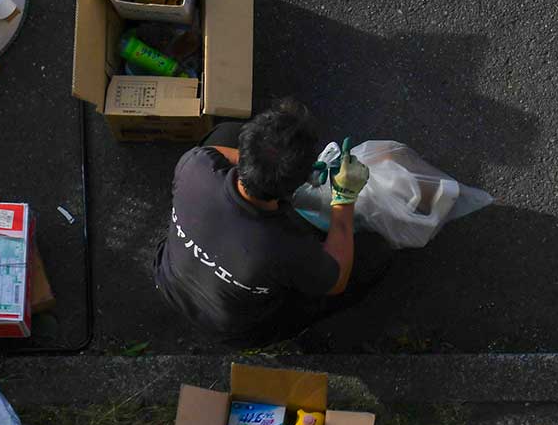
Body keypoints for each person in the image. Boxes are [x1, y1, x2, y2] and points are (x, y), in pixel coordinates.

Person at [154, 96, 390, 343]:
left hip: (169, 280)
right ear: (296, 185)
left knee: (226, 132)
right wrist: (344, 197)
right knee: (374, 253)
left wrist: (263, 169)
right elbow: (337, 280)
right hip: (233, 329)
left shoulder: (195, 165)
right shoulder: (288, 244)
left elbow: (214, 151)